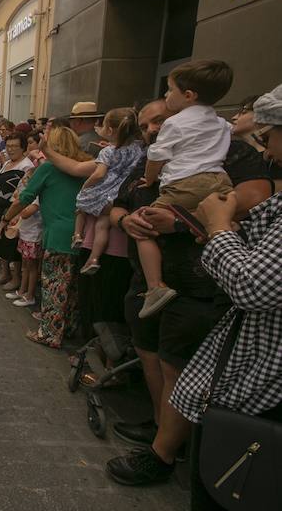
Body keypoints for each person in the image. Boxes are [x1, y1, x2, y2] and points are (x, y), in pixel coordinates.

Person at [104, 100, 272, 488]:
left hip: (196, 281)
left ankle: (164, 454)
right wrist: (124, 219)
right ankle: (163, 429)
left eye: (159, 120)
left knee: (175, 362)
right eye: (145, 124)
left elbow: (252, 195)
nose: (151, 129)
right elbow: (117, 204)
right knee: (148, 351)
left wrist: (182, 222)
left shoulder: (224, 146)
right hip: (145, 281)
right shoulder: (151, 157)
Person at [170, 83, 282, 509]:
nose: (266, 151)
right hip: (257, 378)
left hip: (266, 387)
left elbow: (253, 286)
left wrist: (217, 229)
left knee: (234, 486)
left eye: (268, 137)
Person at [137, 60, 234, 318]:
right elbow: (237, 131)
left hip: (184, 183)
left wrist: (149, 179)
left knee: (143, 227)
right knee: (213, 220)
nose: (167, 95)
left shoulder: (176, 123)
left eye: (169, 90)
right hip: (220, 181)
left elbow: (156, 155)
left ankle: (155, 286)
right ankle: (198, 228)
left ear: (189, 95)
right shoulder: (220, 122)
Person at [0, 126, 89, 348]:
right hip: (83, 232)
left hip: (58, 234)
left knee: (54, 286)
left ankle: (50, 333)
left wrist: (5, 218)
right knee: (74, 288)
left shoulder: (48, 169)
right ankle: (68, 328)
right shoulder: (86, 166)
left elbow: (25, 197)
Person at [72, 107, 145, 275]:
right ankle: (95, 259)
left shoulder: (108, 152)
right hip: (122, 193)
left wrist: (86, 186)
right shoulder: (139, 149)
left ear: (110, 130)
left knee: (80, 205)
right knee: (103, 224)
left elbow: (99, 174)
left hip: (104, 191)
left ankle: (77, 235)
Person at [0, 132, 35, 291]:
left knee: (12, 246)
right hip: (0, 208)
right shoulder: (7, 163)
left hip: (15, 210)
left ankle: (16, 278)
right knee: (1, 242)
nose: (11, 149)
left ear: (23, 147)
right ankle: (4, 273)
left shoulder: (27, 165)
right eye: (8, 146)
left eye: (15, 146)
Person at [5, 168, 42, 308]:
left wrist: (20, 202)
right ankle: (22, 290)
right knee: (25, 265)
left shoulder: (37, 197)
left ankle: (30, 294)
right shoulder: (29, 195)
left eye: (28, 179)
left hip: (33, 236)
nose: (25, 181)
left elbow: (26, 212)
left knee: (32, 267)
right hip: (26, 233)